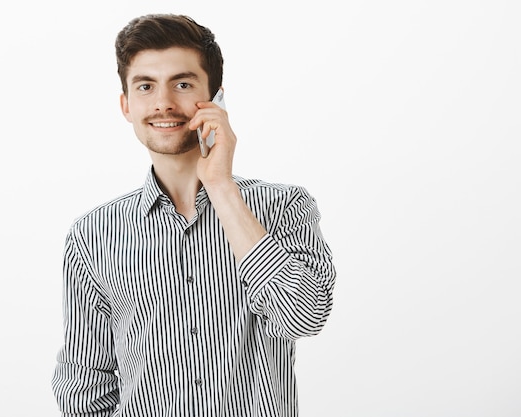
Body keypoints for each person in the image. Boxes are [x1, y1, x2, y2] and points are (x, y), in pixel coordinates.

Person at [51, 13, 336, 417]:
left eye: (182, 84)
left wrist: (221, 187)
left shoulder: (283, 207)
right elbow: (84, 385)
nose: (164, 102)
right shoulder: (92, 235)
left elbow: (305, 317)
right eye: (145, 86)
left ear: (216, 98)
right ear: (126, 105)